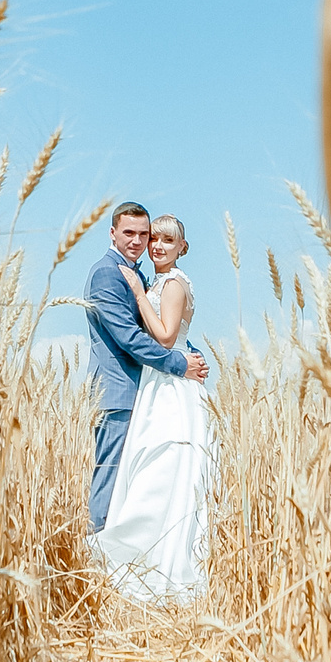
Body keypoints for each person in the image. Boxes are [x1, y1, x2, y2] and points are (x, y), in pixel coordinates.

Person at [94, 213, 214, 600]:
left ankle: (159, 559)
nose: (154, 245)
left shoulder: (168, 282)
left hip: (165, 388)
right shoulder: (115, 274)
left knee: (165, 472)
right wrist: (183, 357)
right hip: (146, 387)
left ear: (182, 247)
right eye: (150, 238)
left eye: (161, 239)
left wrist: (185, 357)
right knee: (134, 474)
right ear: (113, 233)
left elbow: (166, 336)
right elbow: (135, 335)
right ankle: (112, 560)